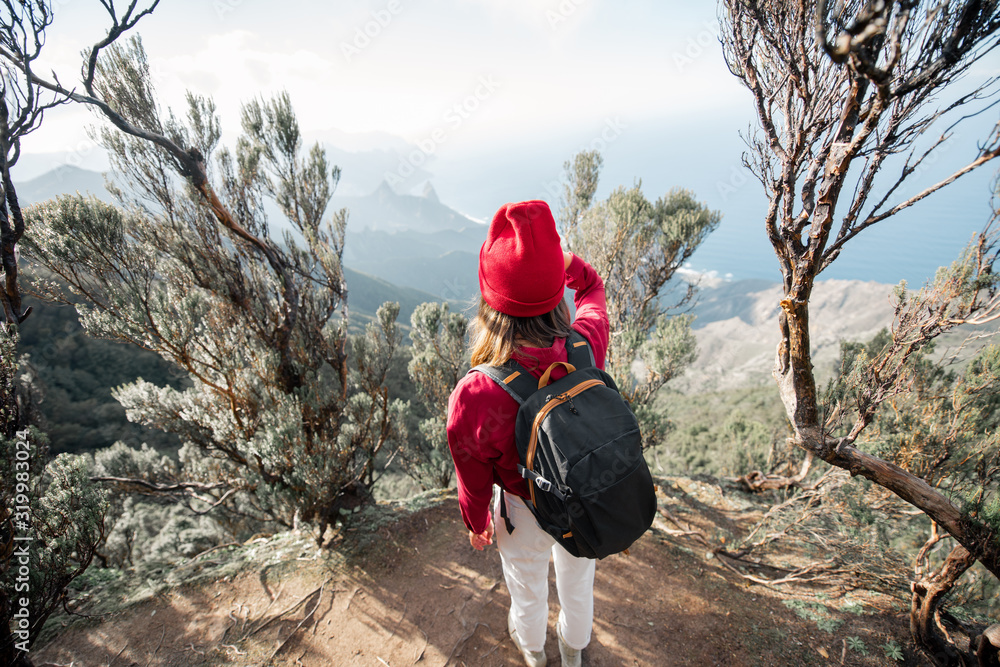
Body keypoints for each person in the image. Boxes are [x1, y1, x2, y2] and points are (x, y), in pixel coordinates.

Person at [446, 199, 609, 667]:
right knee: (579, 581)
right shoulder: (585, 345)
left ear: (490, 303)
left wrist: (477, 521)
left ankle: (535, 654)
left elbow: (472, 477)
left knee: (526, 584)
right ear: (557, 292)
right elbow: (594, 287)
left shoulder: (475, 393)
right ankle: (572, 651)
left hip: (522, 509)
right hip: (583, 501)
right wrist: (565, 264)